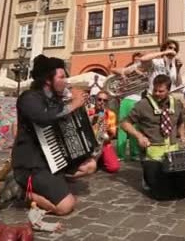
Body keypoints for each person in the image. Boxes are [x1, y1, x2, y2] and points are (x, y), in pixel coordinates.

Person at [12, 55, 97, 216]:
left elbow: (65, 122)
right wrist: (73, 105)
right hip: (32, 165)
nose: (66, 80)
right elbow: (43, 118)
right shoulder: (29, 97)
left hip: (54, 159)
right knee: (66, 206)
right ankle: (24, 193)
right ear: (48, 80)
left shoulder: (56, 101)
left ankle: (55, 183)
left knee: (90, 165)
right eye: (62, 77)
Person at [120, 75, 185, 201]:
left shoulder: (176, 104)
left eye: (161, 91)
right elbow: (125, 123)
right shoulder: (142, 105)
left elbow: (180, 122)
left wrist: (183, 137)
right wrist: (139, 136)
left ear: (168, 90)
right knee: (162, 195)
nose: (157, 93)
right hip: (153, 153)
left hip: (173, 152)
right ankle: (148, 176)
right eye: (155, 90)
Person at [114, 52, 144, 160]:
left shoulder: (145, 71)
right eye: (135, 60)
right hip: (125, 100)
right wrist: (123, 73)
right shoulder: (129, 70)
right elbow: (114, 70)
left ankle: (134, 153)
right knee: (122, 127)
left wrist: (138, 72)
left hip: (137, 101)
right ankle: (120, 154)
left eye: (139, 60)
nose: (137, 61)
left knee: (135, 127)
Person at [87, 90, 120, 173]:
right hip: (89, 143)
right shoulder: (88, 112)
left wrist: (107, 129)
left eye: (105, 100)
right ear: (95, 100)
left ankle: (100, 159)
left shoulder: (111, 114)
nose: (102, 102)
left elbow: (112, 135)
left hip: (104, 143)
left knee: (114, 168)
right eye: (99, 99)